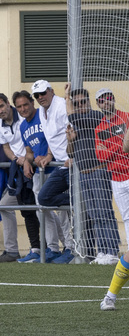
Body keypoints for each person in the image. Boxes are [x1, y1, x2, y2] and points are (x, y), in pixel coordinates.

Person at [66, 88, 121, 264]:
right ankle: (102, 252)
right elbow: (70, 154)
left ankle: (112, 250)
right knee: (94, 214)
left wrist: (66, 97)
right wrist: (71, 140)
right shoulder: (78, 123)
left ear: (89, 102)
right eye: (76, 103)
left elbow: (71, 116)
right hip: (83, 173)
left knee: (104, 212)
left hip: (99, 170)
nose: (80, 106)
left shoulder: (96, 117)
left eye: (83, 102)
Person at [14, 90, 69, 262]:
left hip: (55, 169)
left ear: (32, 103)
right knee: (43, 211)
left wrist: (48, 156)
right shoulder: (23, 125)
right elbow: (29, 151)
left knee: (63, 211)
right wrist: (26, 162)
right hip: (39, 172)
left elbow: (56, 138)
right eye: (19, 106)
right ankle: (52, 248)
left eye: (25, 104)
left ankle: (69, 247)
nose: (23, 109)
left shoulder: (44, 115)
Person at [95, 88, 129, 254]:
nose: (106, 102)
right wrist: (121, 143)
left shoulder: (128, 118)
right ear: (97, 104)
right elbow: (101, 157)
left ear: (114, 99)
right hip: (116, 178)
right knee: (128, 218)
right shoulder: (99, 128)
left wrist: (111, 147)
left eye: (108, 98)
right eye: (102, 100)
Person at [0, 93, 41, 262]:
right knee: (5, 206)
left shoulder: (24, 117)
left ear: (8, 104)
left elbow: (32, 142)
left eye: (2, 106)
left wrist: (26, 159)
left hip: (35, 168)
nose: (0, 111)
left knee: (43, 208)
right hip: (18, 172)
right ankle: (12, 251)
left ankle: (56, 248)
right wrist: (17, 159)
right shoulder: (0, 125)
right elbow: (6, 147)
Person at [32, 80, 72, 246]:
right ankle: (74, 199)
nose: (40, 97)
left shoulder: (62, 105)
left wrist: (73, 155)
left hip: (72, 164)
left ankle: (78, 250)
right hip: (61, 166)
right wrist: (49, 155)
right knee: (43, 197)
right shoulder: (42, 110)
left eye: (43, 93)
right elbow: (51, 136)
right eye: (37, 95)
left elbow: (74, 130)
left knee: (78, 213)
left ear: (51, 91)